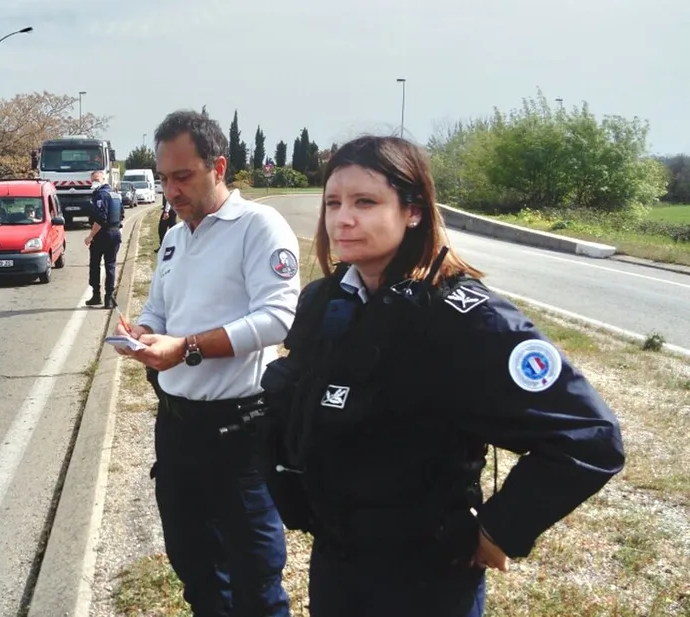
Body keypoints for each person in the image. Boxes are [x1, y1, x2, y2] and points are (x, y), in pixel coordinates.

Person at [259, 135, 626, 616]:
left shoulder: (465, 317)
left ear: (413, 210)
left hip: (426, 581)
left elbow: (589, 436)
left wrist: (500, 529)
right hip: (337, 566)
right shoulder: (324, 303)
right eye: (333, 202)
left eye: (365, 202)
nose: (342, 218)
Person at [116, 109, 301, 617]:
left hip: (239, 432)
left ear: (217, 166)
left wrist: (188, 347)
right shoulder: (176, 236)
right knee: (194, 565)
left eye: (183, 177)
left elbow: (278, 319)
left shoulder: (258, 226)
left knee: (254, 574)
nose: (170, 191)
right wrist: (145, 332)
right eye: (163, 179)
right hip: (176, 427)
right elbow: (160, 308)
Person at [84, 170, 123, 309]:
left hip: (103, 235)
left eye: (96, 179)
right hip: (115, 233)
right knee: (110, 266)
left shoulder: (100, 195)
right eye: (92, 180)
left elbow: (100, 219)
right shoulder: (115, 194)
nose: (94, 182)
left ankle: (97, 296)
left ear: (103, 179)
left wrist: (90, 236)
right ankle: (109, 298)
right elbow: (121, 215)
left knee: (95, 265)